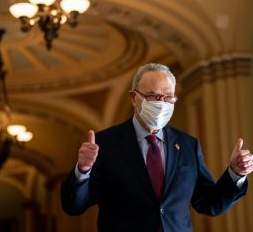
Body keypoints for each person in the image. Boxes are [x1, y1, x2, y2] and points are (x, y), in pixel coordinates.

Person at [60, 63, 253, 232]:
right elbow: (74, 206)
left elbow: (209, 203)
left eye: (168, 97)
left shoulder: (188, 145)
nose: (162, 104)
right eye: (153, 96)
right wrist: (82, 171)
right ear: (134, 98)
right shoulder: (105, 144)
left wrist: (235, 174)